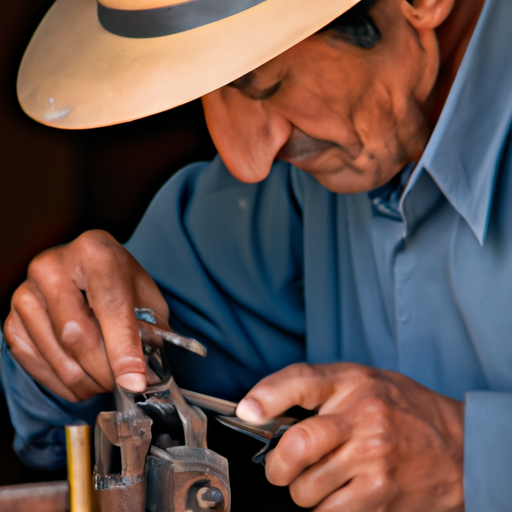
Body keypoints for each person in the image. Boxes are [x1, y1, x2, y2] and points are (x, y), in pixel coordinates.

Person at [1, 0, 511, 509]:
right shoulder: (294, 186)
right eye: (205, 91)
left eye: (266, 83)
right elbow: (63, 417)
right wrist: (59, 333)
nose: (246, 162)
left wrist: (476, 459)